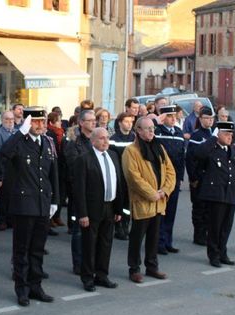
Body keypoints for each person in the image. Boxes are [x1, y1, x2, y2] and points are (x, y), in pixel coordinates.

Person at [0, 108, 59, 306]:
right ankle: (22, 289)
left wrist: (54, 200)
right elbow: (4, 152)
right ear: (27, 123)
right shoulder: (19, 142)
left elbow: (53, 175)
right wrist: (20, 132)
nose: (40, 125)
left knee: (37, 250)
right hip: (24, 205)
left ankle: (36, 286)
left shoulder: (47, 143)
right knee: (22, 251)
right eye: (35, 122)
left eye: (42, 122)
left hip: (42, 203)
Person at [122, 117, 176, 284]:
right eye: (147, 128)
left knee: (154, 236)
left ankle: (152, 266)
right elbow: (133, 178)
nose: (152, 131)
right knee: (137, 237)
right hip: (143, 203)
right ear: (138, 130)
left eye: (153, 128)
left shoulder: (159, 147)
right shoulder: (131, 151)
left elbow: (170, 172)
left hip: (159, 202)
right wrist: (152, 194)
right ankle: (134, 269)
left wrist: (165, 191)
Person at [74, 127, 123, 292]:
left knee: (106, 243)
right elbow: (79, 189)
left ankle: (102, 275)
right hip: (92, 208)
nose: (105, 141)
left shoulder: (113, 156)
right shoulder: (84, 159)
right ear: (93, 140)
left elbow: (118, 183)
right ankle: (87, 278)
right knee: (89, 244)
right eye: (101, 138)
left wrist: (118, 209)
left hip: (110, 206)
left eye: (107, 138)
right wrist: (82, 213)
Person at [193, 122, 235, 267]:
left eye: (231, 134)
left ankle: (223, 253)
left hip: (230, 193)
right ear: (218, 135)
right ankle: (214, 255)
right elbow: (198, 154)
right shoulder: (211, 148)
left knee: (226, 227)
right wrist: (212, 139)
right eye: (226, 134)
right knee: (215, 227)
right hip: (215, 194)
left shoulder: (234, 149)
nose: (230, 137)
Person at [63, 109, 97, 275]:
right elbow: (75, 168)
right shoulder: (74, 143)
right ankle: (78, 263)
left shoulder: (97, 141)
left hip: (96, 192)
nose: (93, 122)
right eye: (90, 120)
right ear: (81, 123)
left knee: (94, 229)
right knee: (79, 230)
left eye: (94, 120)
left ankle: (92, 262)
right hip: (80, 191)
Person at [154, 106, 185, 254]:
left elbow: (181, 156)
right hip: (161, 179)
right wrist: (156, 122)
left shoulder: (179, 132)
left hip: (175, 179)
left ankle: (168, 241)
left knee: (171, 212)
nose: (174, 119)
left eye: (175, 116)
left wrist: (180, 177)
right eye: (170, 116)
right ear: (163, 117)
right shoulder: (157, 132)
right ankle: (158, 242)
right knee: (161, 212)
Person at [185, 107, 215, 246]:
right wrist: (193, 178)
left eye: (211, 118)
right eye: (207, 118)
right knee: (199, 208)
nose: (210, 121)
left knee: (209, 209)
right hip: (199, 178)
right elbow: (190, 159)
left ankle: (206, 233)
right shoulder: (196, 136)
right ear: (201, 119)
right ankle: (199, 235)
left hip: (210, 178)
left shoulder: (212, 135)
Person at [110, 112, 135, 241]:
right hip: (118, 175)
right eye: (126, 122)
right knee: (119, 201)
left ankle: (126, 225)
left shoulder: (134, 138)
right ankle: (118, 227)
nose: (129, 124)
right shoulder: (113, 139)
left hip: (131, 175)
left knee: (128, 203)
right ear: (120, 123)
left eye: (131, 122)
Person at [46, 112, 65, 229]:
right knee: (52, 192)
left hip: (60, 166)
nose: (61, 123)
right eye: (58, 121)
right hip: (53, 165)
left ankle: (56, 216)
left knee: (60, 193)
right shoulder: (50, 133)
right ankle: (50, 219)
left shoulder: (61, 133)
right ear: (52, 122)